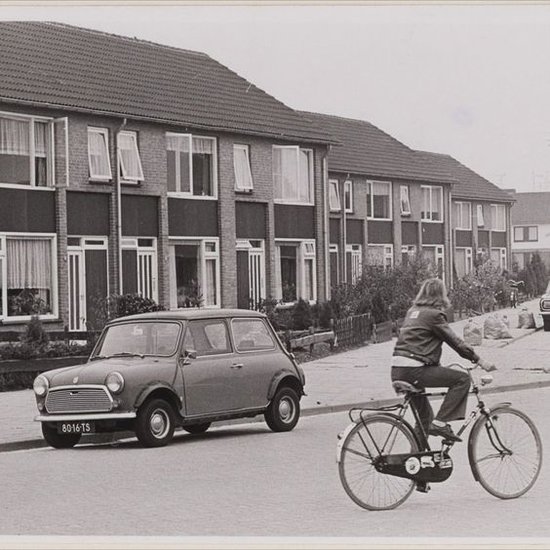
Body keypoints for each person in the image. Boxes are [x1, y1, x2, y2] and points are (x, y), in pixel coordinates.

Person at [391, 278, 496, 445]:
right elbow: (455, 342)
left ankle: (417, 463)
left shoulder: (412, 311)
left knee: (424, 418)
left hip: (398, 369)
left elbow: (418, 343)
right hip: (414, 370)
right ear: (440, 295)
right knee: (462, 379)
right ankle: (440, 423)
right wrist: (479, 360)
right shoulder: (434, 315)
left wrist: (434, 365)